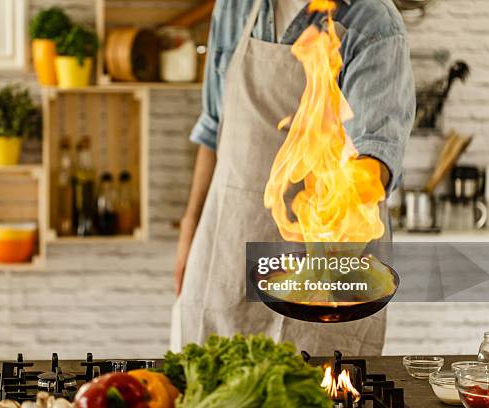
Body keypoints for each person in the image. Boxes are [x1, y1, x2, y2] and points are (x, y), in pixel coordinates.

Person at [171, 0, 415, 356]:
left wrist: (327, 233)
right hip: (226, 238)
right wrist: (189, 226)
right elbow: (212, 127)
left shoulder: (374, 21)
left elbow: (376, 158)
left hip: (324, 258)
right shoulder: (235, 6)